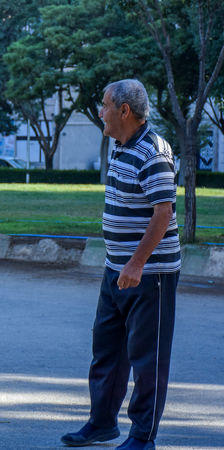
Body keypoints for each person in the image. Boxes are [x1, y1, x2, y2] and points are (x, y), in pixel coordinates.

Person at [61, 79, 180, 450]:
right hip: (117, 269)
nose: (101, 112)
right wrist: (120, 264)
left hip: (149, 274)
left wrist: (136, 264)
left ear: (124, 111)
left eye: (105, 105)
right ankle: (101, 424)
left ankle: (143, 438)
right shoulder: (121, 145)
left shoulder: (153, 153)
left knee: (148, 359)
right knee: (108, 350)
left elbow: (163, 215)